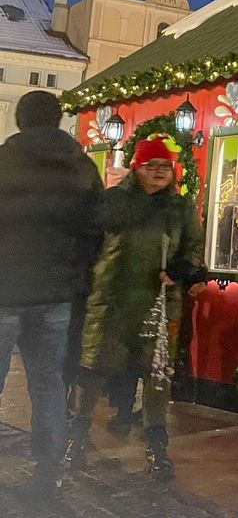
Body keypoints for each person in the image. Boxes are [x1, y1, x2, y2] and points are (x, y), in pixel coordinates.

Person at [67, 134, 208, 480]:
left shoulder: (180, 209)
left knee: (157, 380)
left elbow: (193, 248)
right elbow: (87, 247)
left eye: (165, 166)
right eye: (152, 165)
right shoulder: (112, 202)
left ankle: (157, 450)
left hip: (158, 308)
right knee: (91, 372)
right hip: (110, 303)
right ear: (137, 168)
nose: (160, 172)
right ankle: (75, 440)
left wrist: (181, 271)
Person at [0, 92, 104, 502]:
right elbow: (98, 230)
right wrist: (77, 274)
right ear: (59, 120)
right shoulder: (81, 168)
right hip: (58, 295)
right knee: (48, 386)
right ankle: (48, 477)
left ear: (20, 119)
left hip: (4, 291)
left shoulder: (3, 162)